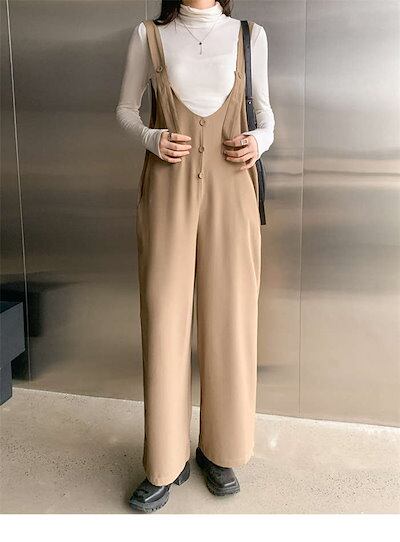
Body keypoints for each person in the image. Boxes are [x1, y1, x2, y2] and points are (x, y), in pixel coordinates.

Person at [116, 0, 275, 513]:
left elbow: (266, 114)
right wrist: (151, 137)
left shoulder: (250, 35)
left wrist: (259, 141)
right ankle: (164, 462)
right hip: (168, 188)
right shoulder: (149, 36)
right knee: (164, 319)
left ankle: (221, 450)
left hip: (234, 188)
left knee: (231, 319)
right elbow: (125, 109)